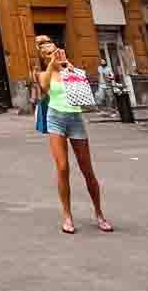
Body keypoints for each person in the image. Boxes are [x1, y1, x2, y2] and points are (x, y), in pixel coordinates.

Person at [38, 38, 112, 234]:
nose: (53, 55)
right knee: (62, 168)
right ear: (44, 58)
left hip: (75, 119)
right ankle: (67, 215)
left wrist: (68, 67)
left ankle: (99, 213)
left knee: (87, 170)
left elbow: (83, 88)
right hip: (55, 120)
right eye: (48, 54)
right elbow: (44, 88)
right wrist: (52, 66)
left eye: (54, 51)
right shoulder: (44, 74)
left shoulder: (70, 70)